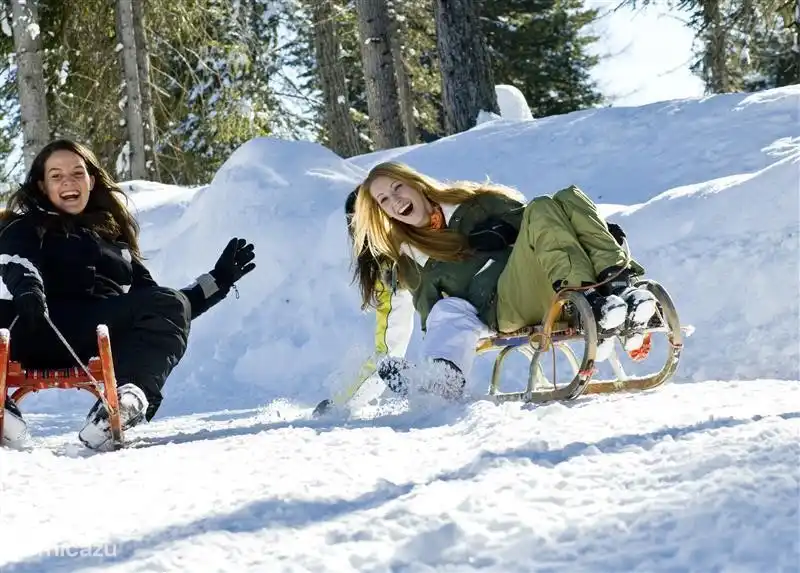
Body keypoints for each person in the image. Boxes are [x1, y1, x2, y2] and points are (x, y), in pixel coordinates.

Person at [0, 139, 256, 449]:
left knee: (166, 303)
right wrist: (28, 289)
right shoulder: (25, 227)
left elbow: (164, 305)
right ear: (42, 186)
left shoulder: (113, 238)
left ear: (91, 181)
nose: (68, 181)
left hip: (99, 329)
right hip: (35, 324)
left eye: (77, 173)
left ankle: (126, 402)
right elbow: (18, 261)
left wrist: (220, 280)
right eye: (56, 175)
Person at [349, 161, 657, 398]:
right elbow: (438, 319)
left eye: (397, 187)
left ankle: (617, 289)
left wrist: (596, 231)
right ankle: (440, 380)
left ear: (416, 183)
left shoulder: (478, 204)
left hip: (550, 281)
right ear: (384, 214)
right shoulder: (412, 258)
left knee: (564, 198)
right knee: (450, 308)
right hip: (505, 307)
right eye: (384, 200)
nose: (395, 200)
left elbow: (549, 224)